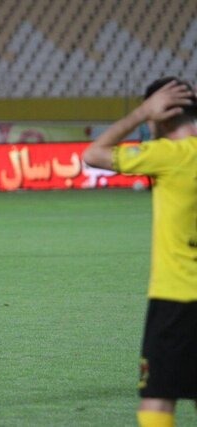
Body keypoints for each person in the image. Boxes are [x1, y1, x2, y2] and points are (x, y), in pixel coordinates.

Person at [83, 77, 197, 427]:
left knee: (157, 401)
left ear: (159, 118)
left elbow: (93, 154)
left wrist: (141, 113)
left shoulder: (167, 155)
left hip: (177, 297)